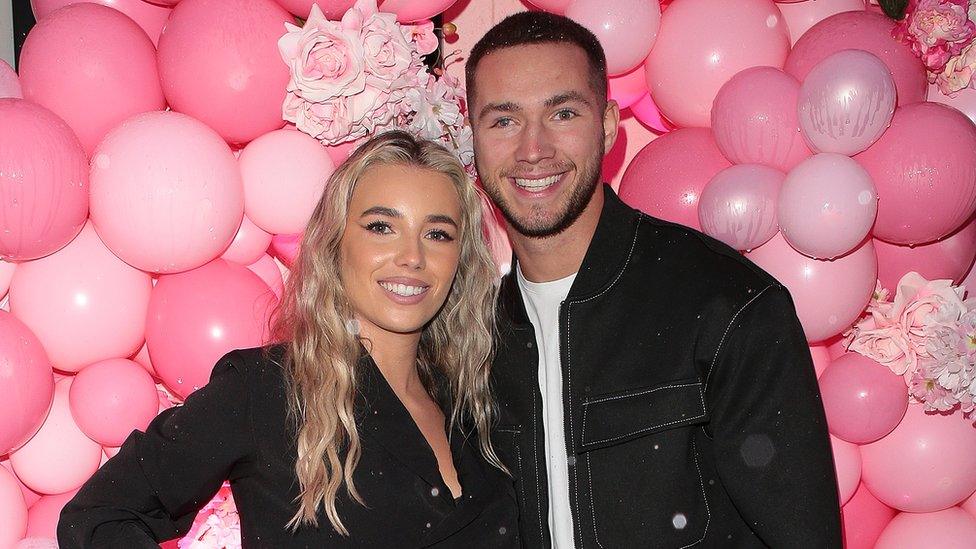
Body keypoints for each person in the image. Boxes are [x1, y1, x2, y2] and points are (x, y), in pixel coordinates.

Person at [465, 11, 842, 548]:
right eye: (503, 120)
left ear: (608, 126)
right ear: (473, 137)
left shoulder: (726, 303)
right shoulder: (474, 340)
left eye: (563, 113)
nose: (533, 148)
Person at [57, 131, 520, 548]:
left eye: (438, 234)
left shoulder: (479, 401)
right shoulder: (264, 391)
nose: (412, 257)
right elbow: (96, 518)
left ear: (460, 258)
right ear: (335, 244)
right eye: (382, 227)